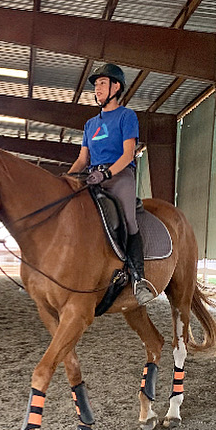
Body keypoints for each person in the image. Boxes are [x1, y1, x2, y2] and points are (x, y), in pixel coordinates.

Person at [68, 63, 157, 305]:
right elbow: (82, 159)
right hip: (92, 176)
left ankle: (138, 278)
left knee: (128, 219)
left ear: (116, 87)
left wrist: (106, 174)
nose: (97, 89)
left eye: (102, 84)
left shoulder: (127, 116)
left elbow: (129, 154)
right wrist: (67, 178)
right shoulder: (90, 124)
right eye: (96, 85)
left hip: (119, 176)